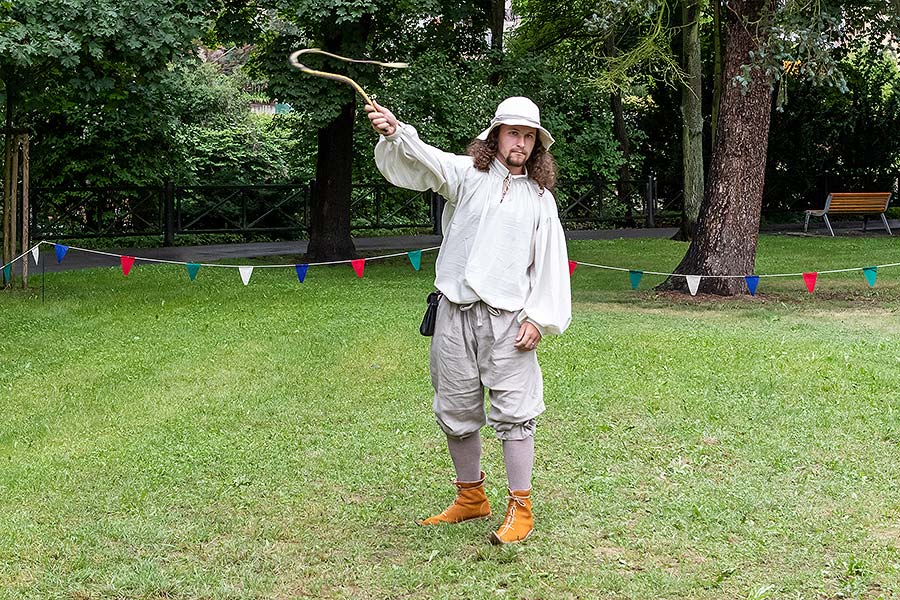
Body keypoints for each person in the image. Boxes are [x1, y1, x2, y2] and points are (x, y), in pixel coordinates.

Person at [366, 97, 572, 544]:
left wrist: (539, 318)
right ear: (495, 135)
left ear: (537, 145)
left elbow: (550, 262)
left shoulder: (541, 200)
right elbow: (426, 160)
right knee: (456, 409)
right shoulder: (466, 176)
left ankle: (520, 506)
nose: (520, 142)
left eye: (529, 136)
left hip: (508, 321)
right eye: (513, 132)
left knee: (516, 413)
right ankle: (471, 498)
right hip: (453, 314)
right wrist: (395, 132)